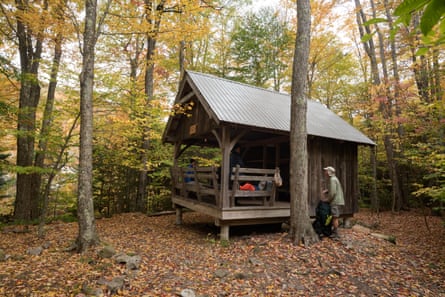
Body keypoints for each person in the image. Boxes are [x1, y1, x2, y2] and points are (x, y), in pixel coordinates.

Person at [323, 166, 345, 238]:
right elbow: (333, 189)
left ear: (329, 172)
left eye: (326, 171)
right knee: (334, 216)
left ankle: (336, 234)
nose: (325, 172)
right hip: (336, 200)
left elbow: (333, 193)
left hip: (335, 201)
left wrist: (328, 200)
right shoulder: (334, 179)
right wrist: (327, 190)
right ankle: (334, 232)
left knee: (335, 217)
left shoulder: (332, 179)